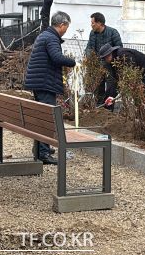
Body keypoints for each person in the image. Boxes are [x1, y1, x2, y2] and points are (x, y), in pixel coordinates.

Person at [24, 11, 76, 165]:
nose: (66, 30)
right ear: (62, 25)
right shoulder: (52, 38)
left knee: (42, 116)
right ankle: (43, 153)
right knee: (47, 118)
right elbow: (56, 57)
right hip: (45, 83)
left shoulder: (44, 35)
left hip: (39, 82)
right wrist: (73, 62)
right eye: (66, 27)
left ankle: (41, 148)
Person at [84, 12, 123, 105]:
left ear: (99, 23)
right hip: (97, 65)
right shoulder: (92, 33)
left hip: (110, 66)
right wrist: (89, 57)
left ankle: (109, 107)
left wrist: (110, 59)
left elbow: (119, 48)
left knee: (111, 87)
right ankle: (100, 106)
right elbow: (89, 47)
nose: (91, 25)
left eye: (93, 23)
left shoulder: (113, 32)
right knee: (98, 86)